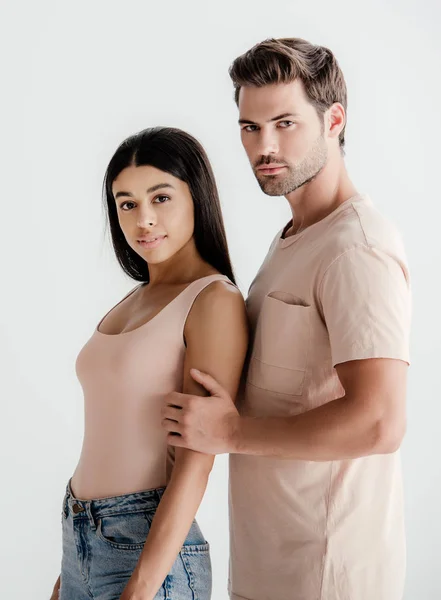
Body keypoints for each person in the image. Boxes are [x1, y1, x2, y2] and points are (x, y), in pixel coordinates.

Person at [162, 38, 411, 600]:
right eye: (250, 127)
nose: (264, 145)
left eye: (284, 123)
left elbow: (381, 422)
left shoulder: (357, 249)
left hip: (327, 577)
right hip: (270, 568)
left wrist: (231, 433)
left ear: (333, 120)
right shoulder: (295, 239)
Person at [50, 127, 248, 600]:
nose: (144, 219)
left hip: (148, 550)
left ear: (196, 196)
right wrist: (68, 574)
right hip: (81, 533)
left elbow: (196, 463)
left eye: (161, 197)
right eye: (127, 203)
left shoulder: (212, 299)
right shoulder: (134, 299)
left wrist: (140, 587)